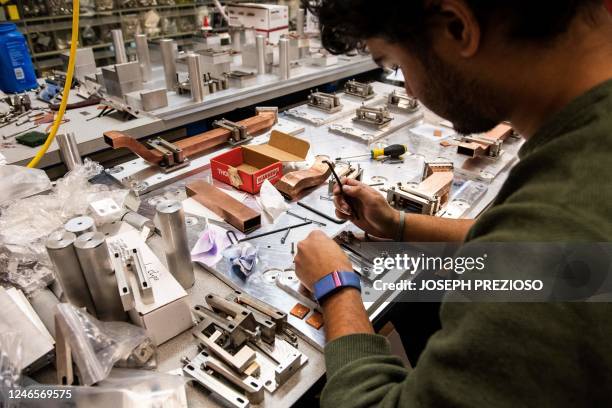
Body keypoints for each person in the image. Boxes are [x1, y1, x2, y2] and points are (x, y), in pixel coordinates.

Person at [294, 1, 612, 406]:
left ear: (458, 27)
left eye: (395, 64)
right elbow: (519, 244)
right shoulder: (586, 154)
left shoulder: (562, 219)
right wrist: (398, 224)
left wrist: (335, 286)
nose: (407, 89)